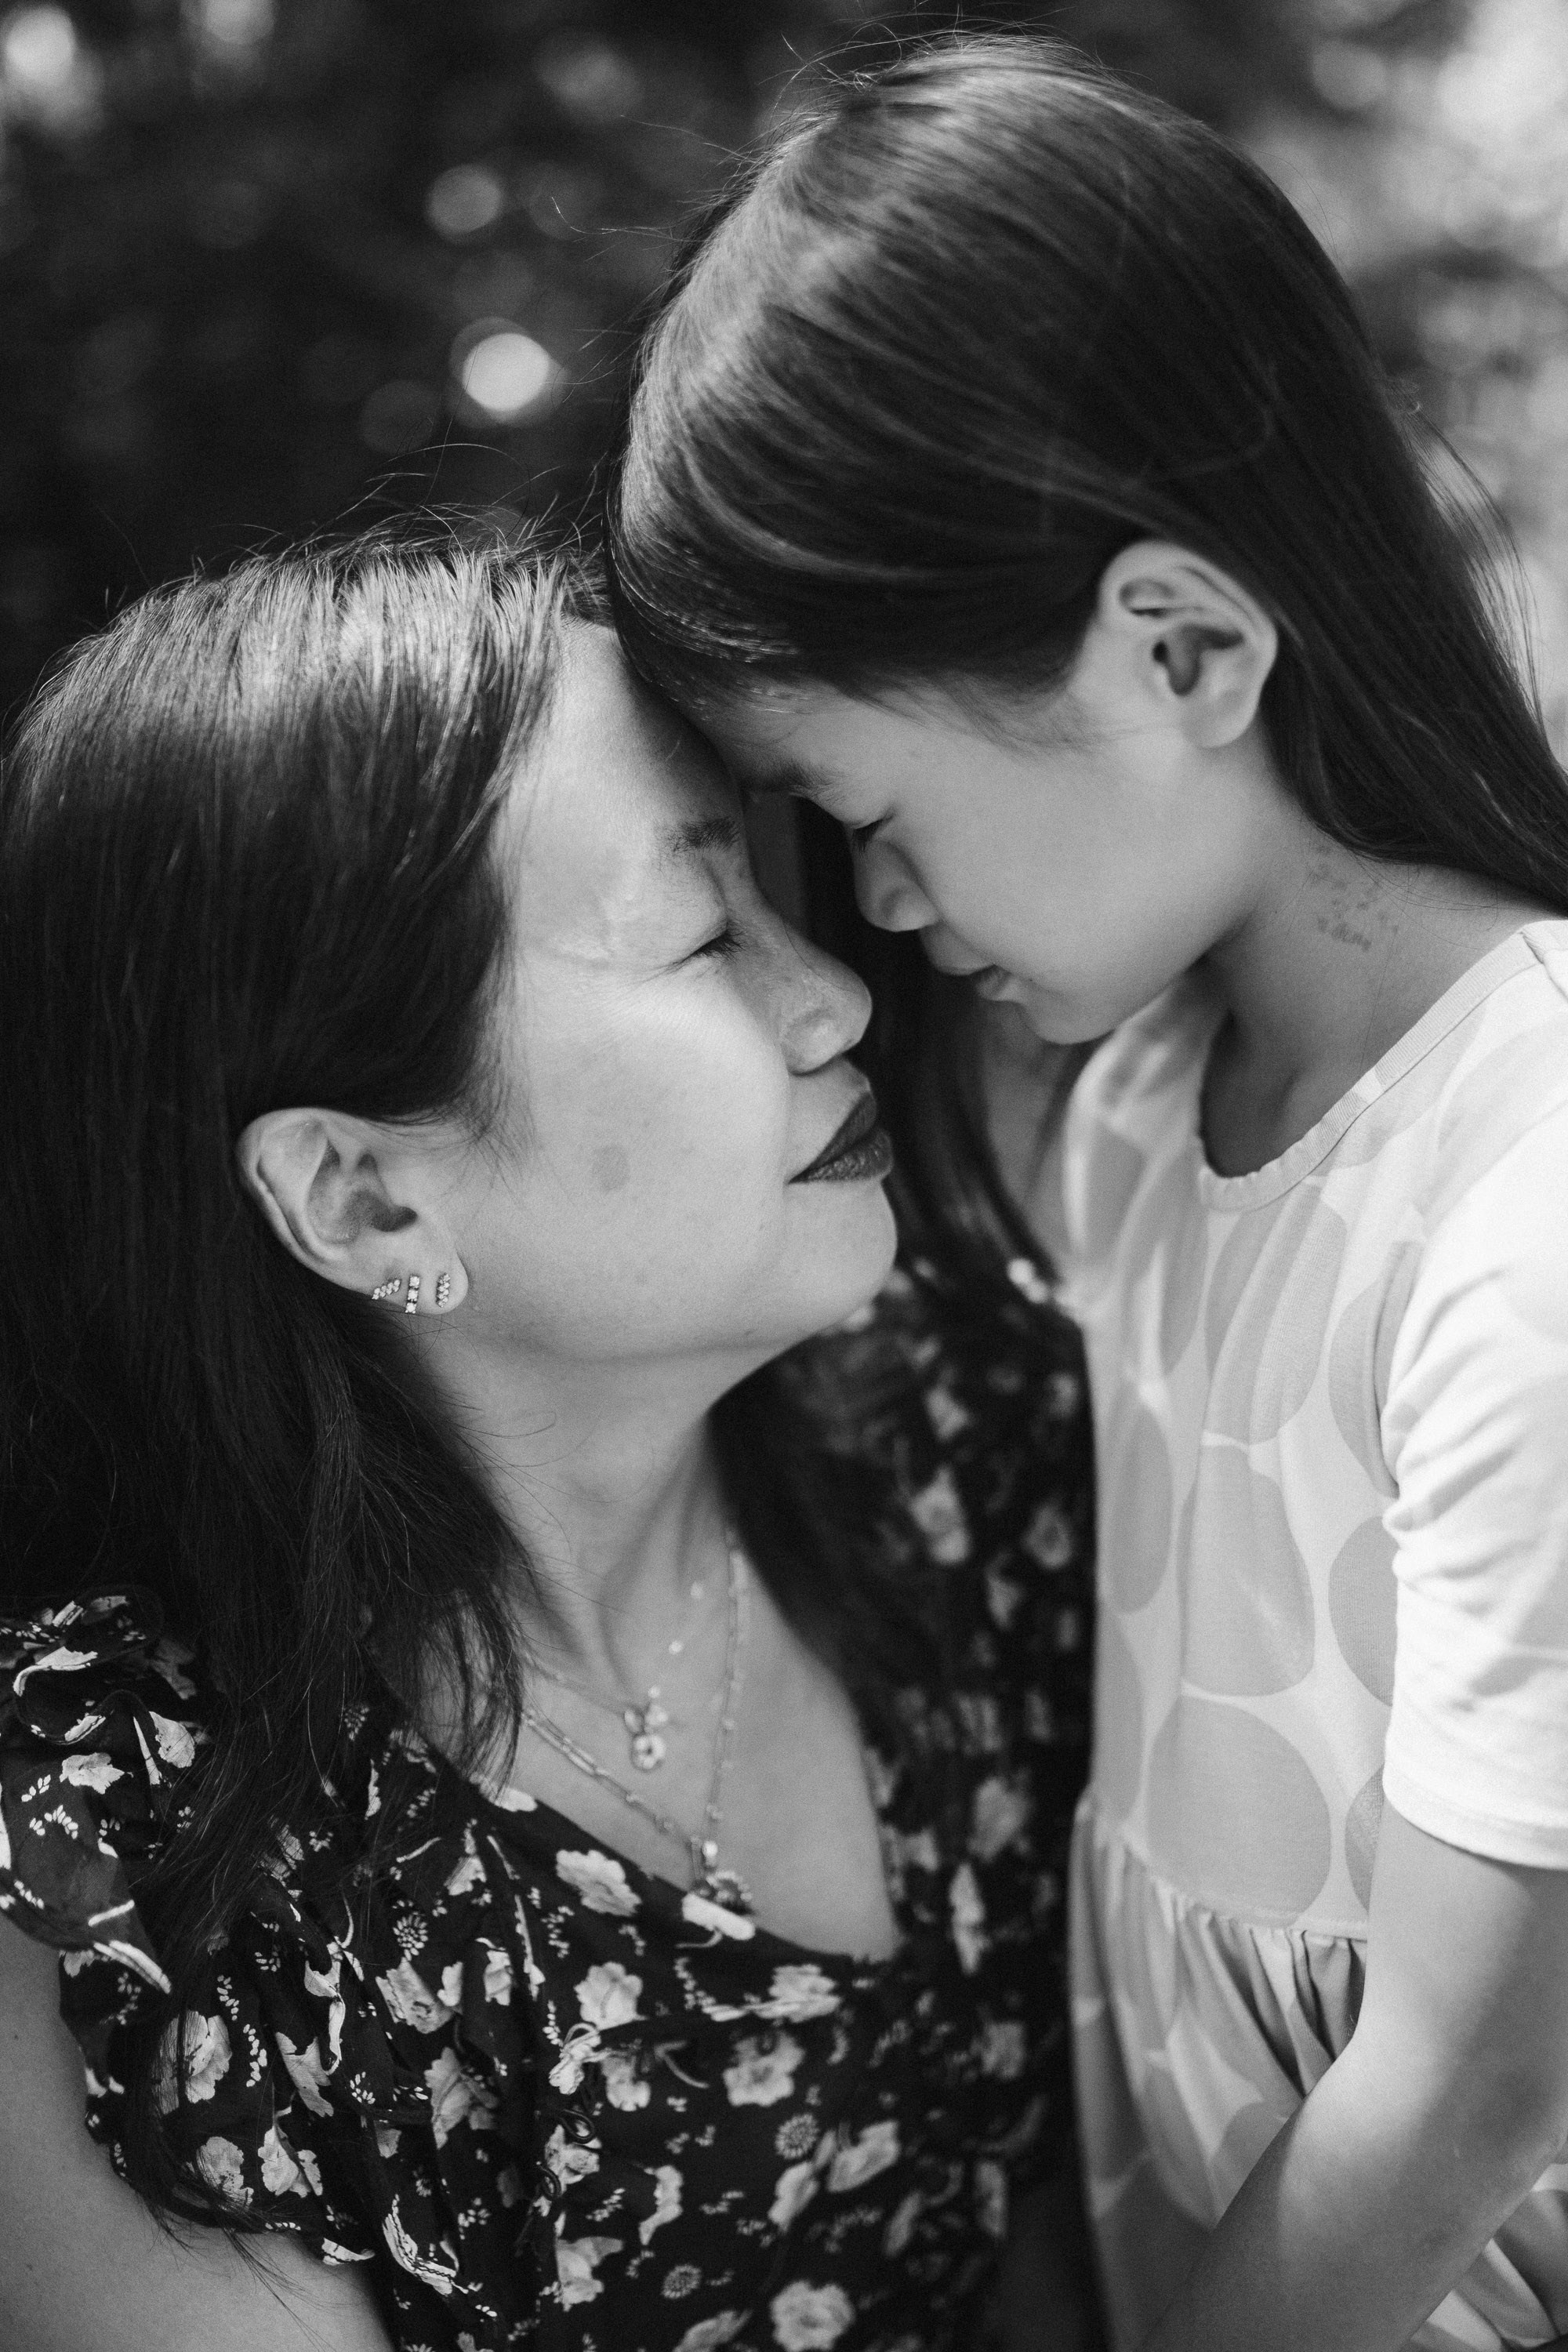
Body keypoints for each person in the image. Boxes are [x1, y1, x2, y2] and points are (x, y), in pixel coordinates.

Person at [604, 31, 1568, 2352]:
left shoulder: (1524, 1197)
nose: (867, 904)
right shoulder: (1137, 1106)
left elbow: (1471, 2083)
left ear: (1183, 645)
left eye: (868, 803)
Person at [0, 533, 1098, 2352]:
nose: (831, 999)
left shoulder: (969, 1455)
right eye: (694, 933)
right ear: (361, 1201)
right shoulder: (120, 1874)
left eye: (771, 891)